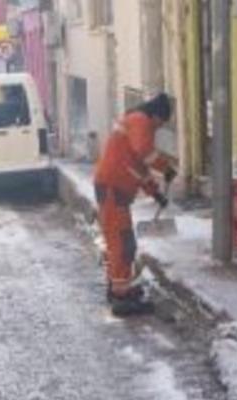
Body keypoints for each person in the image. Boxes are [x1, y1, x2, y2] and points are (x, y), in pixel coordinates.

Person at [94, 93, 177, 316]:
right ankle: (120, 299)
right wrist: (165, 167)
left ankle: (119, 289)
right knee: (122, 245)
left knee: (123, 243)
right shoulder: (140, 121)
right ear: (157, 115)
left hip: (116, 191)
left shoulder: (135, 123)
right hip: (112, 189)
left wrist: (155, 193)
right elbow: (145, 154)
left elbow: (138, 168)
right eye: (161, 123)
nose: (159, 128)